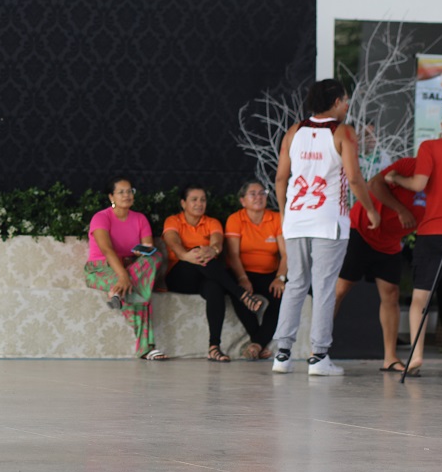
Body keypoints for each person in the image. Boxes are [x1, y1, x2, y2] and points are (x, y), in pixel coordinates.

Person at [270, 79, 380, 376]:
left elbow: (281, 179)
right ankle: (319, 357)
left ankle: (282, 354)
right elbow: (355, 178)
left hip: (296, 218)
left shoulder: (294, 131)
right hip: (328, 219)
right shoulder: (343, 132)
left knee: (295, 284)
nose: (347, 106)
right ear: (336, 102)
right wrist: (370, 210)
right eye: (345, 101)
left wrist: (284, 214)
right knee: (323, 287)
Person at [384, 103, 442, 371]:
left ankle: (417, 355)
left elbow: (419, 184)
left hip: (432, 230)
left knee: (421, 297)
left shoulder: (430, 146)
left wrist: (397, 177)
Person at [162, 185, 269, 363]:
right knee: (198, 252)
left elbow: (217, 243)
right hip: (180, 276)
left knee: (215, 288)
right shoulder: (173, 221)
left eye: (203, 199)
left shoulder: (212, 222)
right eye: (194, 200)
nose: (199, 203)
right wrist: (187, 255)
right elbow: (174, 244)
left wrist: (213, 250)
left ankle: (214, 347)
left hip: (206, 276)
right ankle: (240, 293)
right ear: (183, 203)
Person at [334, 158, 418, 372]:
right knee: (341, 289)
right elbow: (373, 184)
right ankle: (317, 350)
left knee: (390, 294)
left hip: (389, 241)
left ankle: (390, 357)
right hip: (362, 229)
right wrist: (400, 210)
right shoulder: (410, 165)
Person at [83, 176, 167, 360]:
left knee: (155, 256)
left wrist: (139, 255)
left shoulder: (140, 219)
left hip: (130, 267)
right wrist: (123, 276)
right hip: (100, 269)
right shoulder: (101, 217)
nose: (127, 195)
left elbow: (148, 249)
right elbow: (106, 249)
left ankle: (116, 293)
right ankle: (146, 348)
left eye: (130, 191)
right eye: (121, 192)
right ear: (111, 197)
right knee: (136, 289)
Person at [223, 180, 287, 359]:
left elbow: (286, 254)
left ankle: (256, 344)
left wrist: (280, 277)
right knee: (239, 294)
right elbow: (233, 254)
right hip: (243, 272)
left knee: (280, 297)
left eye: (262, 193)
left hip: (270, 274)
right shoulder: (235, 219)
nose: (258, 197)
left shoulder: (275, 218)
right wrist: (242, 278)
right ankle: (260, 342)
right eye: (253, 194)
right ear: (243, 201)